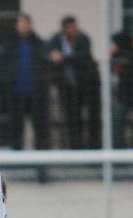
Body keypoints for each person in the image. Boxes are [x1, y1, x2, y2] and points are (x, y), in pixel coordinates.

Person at [47, 16, 101, 149]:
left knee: (92, 117)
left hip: (86, 85)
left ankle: (94, 146)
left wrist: (63, 57)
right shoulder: (55, 40)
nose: (74, 30)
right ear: (65, 29)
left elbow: (83, 56)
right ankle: (75, 146)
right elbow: (49, 54)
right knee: (72, 118)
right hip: (67, 86)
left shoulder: (83, 39)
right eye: (71, 27)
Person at [0, 13, 50, 150]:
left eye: (24, 23)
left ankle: (42, 159)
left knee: (40, 126)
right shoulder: (10, 44)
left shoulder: (39, 44)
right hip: (16, 92)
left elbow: (45, 66)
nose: (22, 26)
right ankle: (17, 154)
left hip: (36, 92)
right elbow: (3, 66)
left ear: (30, 25)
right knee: (16, 126)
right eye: (19, 23)